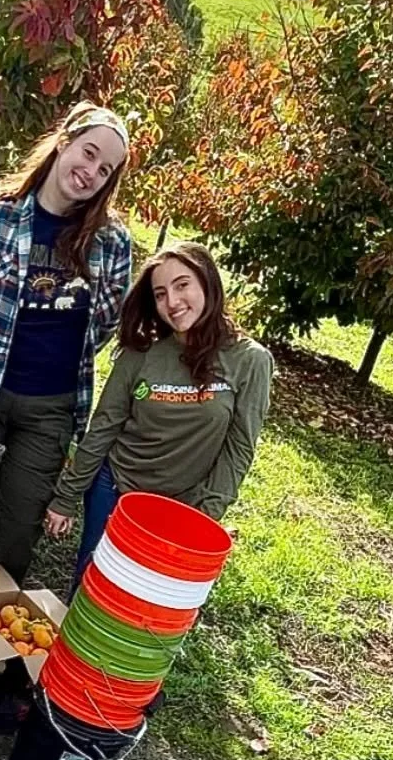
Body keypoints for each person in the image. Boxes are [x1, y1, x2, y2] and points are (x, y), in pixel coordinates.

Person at [0, 101, 133, 580]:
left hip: (50, 410)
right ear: (63, 142)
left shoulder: (111, 243)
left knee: (17, 531)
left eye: (105, 169)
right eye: (87, 154)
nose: (90, 172)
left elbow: (103, 326)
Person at [45, 240, 273, 580]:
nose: (173, 302)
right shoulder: (141, 354)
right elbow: (104, 427)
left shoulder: (249, 360)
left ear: (207, 282)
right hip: (117, 487)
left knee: (146, 598)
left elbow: (239, 448)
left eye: (182, 285)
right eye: (160, 294)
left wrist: (206, 517)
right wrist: (66, 497)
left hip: (182, 504)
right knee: (93, 583)